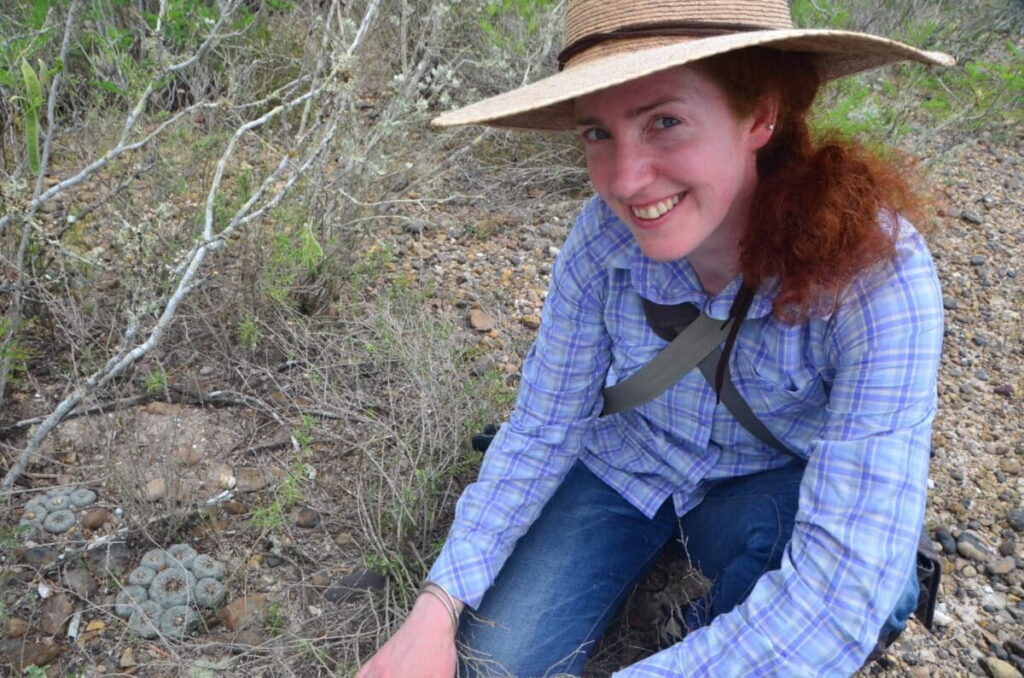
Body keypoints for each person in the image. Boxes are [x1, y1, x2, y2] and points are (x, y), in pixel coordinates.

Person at [357, 1, 954, 676]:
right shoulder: (601, 241)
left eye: (664, 122)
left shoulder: (876, 277)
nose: (625, 179)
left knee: (879, 586)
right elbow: (543, 425)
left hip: (764, 488)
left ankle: (695, 617)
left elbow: (839, 593)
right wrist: (435, 608)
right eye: (597, 134)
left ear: (759, 115)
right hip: (626, 466)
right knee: (495, 664)